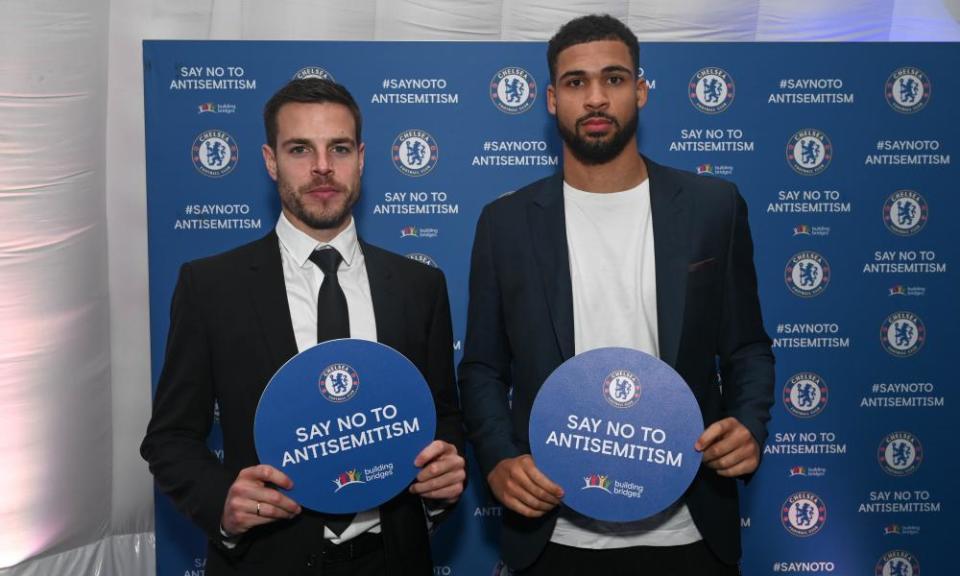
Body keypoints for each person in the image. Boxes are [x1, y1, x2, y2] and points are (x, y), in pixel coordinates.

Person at [458, 14, 774, 575]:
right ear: (553, 99)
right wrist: (500, 458)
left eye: (615, 79)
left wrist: (748, 423)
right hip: (553, 532)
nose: (597, 98)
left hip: (689, 529)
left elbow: (747, 347)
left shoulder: (713, 206)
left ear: (641, 90)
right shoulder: (504, 223)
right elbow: (483, 368)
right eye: (577, 83)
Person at [142, 78, 466, 576]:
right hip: (265, 561)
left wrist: (444, 476)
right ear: (270, 161)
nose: (322, 167)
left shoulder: (418, 285)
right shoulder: (211, 286)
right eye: (300, 149)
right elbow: (170, 438)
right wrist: (222, 502)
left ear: (360, 158)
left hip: (394, 560)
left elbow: (442, 415)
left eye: (338, 148)